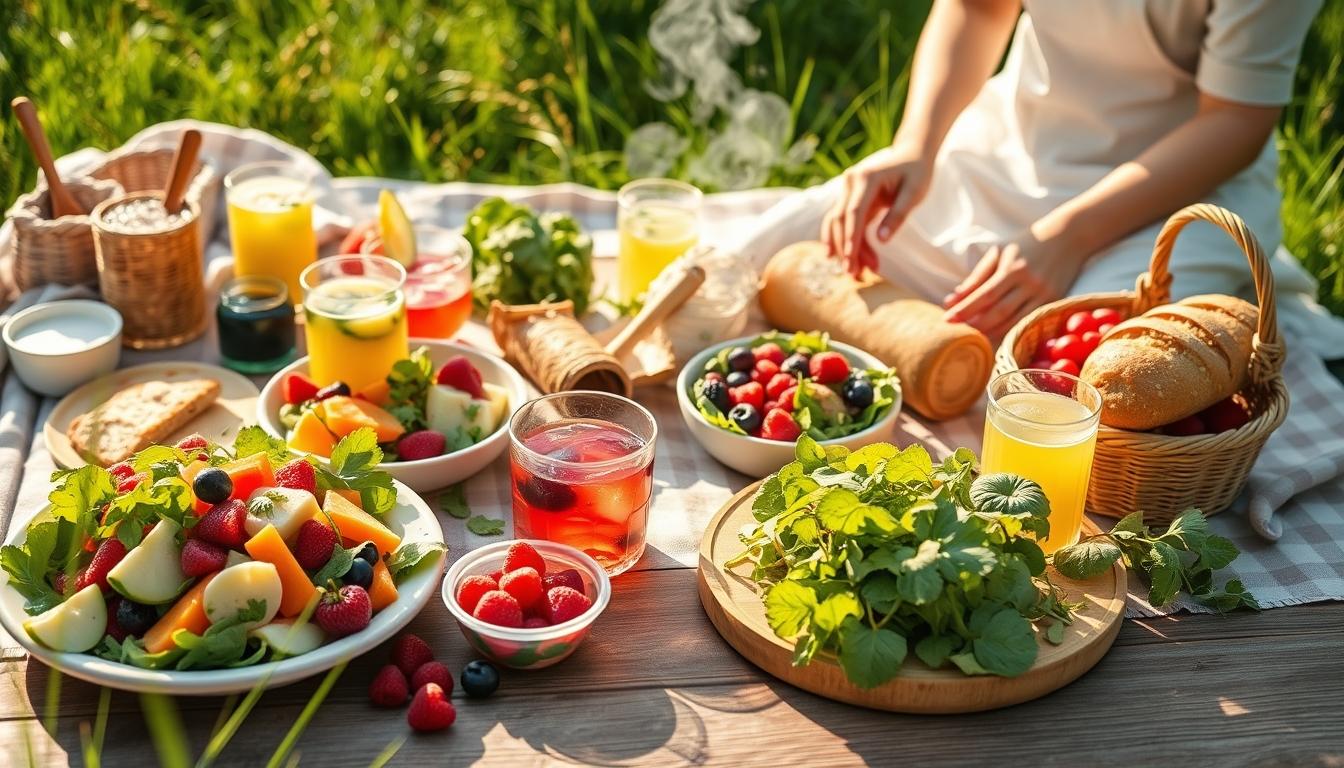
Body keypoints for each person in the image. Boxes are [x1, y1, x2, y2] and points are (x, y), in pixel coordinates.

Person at [813, 0, 1342, 353]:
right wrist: (916, 145)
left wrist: (1069, 237)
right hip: (1012, 150)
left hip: (1175, 194)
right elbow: (977, 8)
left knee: (1103, 367)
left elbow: (1236, 119)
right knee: (818, 249)